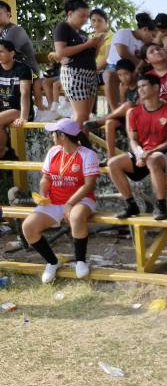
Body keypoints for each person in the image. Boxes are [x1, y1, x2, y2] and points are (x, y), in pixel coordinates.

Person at [24, 119, 100, 282]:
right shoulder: (53, 151)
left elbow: (89, 185)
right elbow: (46, 178)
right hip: (54, 201)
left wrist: (70, 203)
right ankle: (53, 262)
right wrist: (43, 194)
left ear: (62, 136)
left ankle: (80, 261)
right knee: (28, 227)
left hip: (81, 200)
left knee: (76, 217)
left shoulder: (87, 154)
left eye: (54, 133)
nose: (52, 136)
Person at [108, 72, 167, 221]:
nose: (140, 89)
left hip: (164, 153)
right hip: (143, 153)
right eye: (139, 87)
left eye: (144, 86)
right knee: (113, 163)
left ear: (156, 87)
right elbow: (133, 140)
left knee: (153, 159)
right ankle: (131, 205)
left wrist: (149, 153)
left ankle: (161, 206)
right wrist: (140, 154)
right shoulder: (134, 112)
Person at [53, 0, 104, 131]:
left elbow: (91, 55)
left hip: (89, 75)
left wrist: (97, 44)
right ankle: (71, 141)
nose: (85, 20)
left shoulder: (82, 34)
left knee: (86, 117)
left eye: (87, 17)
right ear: (70, 13)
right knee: (81, 115)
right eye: (82, 16)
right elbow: (60, 52)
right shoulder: (63, 27)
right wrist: (87, 44)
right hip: (74, 74)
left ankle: (83, 143)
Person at [85, 60, 139, 157]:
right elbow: (122, 105)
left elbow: (139, 106)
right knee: (110, 123)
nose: (123, 78)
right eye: (120, 75)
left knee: (129, 105)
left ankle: (100, 121)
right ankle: (110, 157)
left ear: (133, 72)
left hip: (138, 117)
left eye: (126, 74)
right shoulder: (122, 86)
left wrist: (125, 105)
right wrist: (122, 98)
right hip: (127, 117)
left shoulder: (140, 84)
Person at [104, 12, 155, 111]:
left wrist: (138, 67)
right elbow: (122, 52)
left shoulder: (144, 44)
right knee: (109, 75)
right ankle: (115, 111)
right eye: (152, 35)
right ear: (145, 29)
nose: (152, 38)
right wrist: (139, 64)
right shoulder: (124, 33)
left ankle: (140, 109)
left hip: (133, 70)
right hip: (115, 67)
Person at [0, 39, 33, 159]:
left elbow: (25, 93)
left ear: (12, 53)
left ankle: (3, 153)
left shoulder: (22, 69)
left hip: (19, 110)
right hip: (3, 110)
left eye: (1, 51)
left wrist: (23, 117)